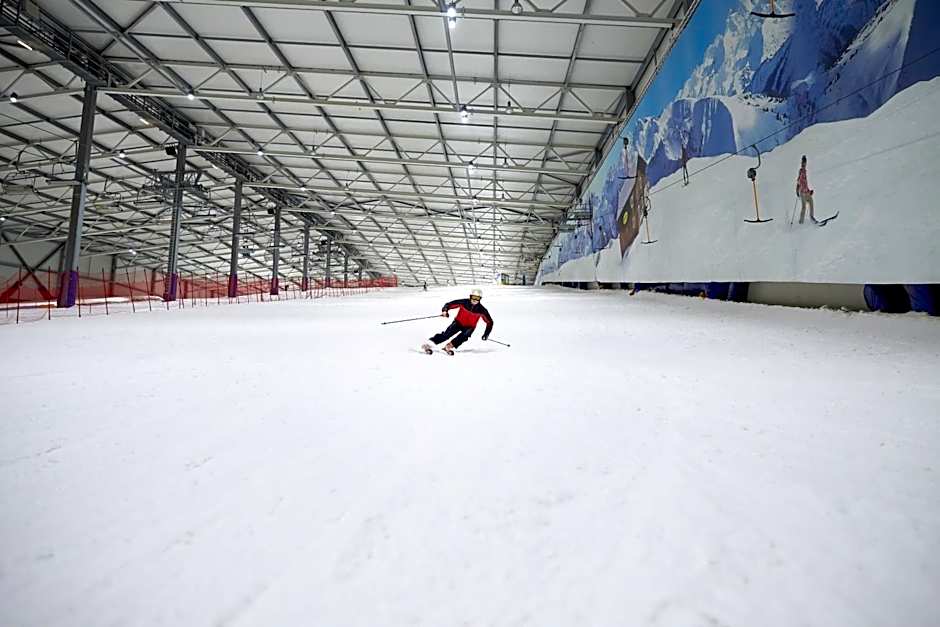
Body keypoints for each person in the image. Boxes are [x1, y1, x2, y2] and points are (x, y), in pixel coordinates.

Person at [422, 288, 493, 355]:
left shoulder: (482, 310)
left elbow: (489, 322)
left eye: (477, 298)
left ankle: (449, 346)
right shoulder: (464, 302)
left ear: (480, 299)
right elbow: (449, 304)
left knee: (464, 336)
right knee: (446, 335)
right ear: (470, 297)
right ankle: (429, 343)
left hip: (470, 326)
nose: (475, 300)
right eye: (473, 297)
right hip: (458, 322)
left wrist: (486, 334)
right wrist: (445, 311)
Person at [796, 155, 816, 224]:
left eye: (805, 162)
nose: (804, 164)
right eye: (803, 162)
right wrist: (798, 190)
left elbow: (804, 183)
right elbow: (800, 182)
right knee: (804, 206)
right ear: (802, 163)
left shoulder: (803, 171)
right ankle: (801, 221)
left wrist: (809, 191)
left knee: (811, 203)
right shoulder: (802, 171)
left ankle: (811, 217)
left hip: (805, 192)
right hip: (803, 193)